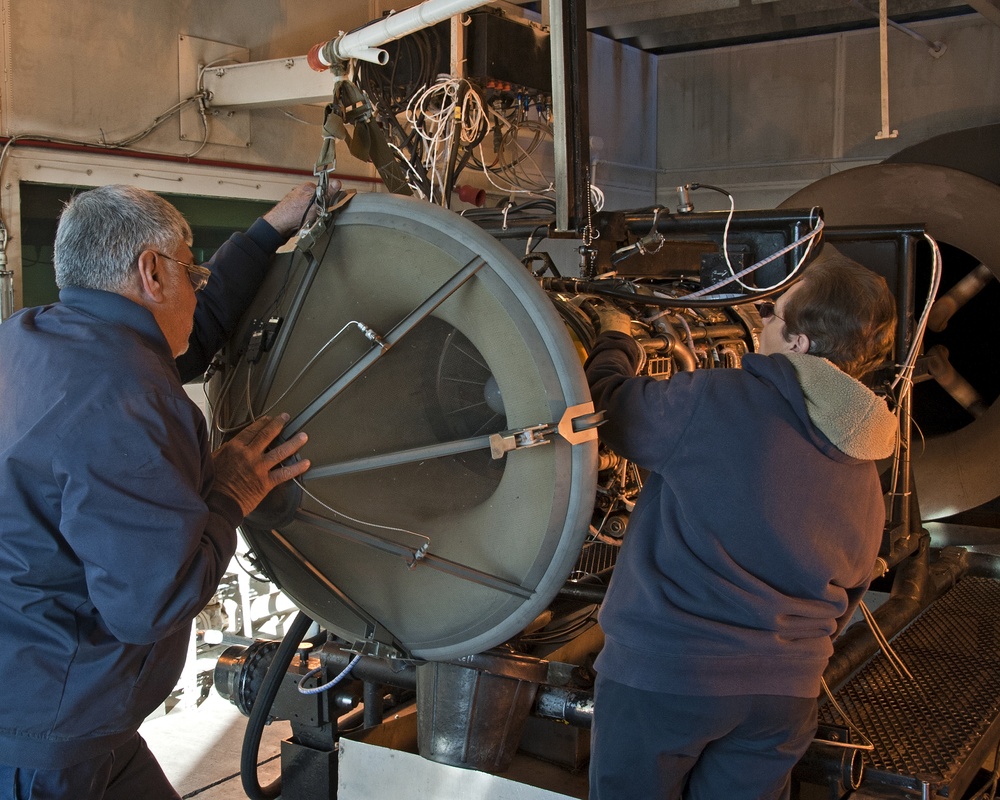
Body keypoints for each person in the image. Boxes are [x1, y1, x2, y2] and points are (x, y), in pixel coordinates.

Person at [0, 180, 338, 799]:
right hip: (50, 740)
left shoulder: (32, 338)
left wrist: (271, 229)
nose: (199, 286)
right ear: (153, 272)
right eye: (193, 271)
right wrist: (230, 492)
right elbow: (152, 603)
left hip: (56, 702)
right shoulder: (128, 402)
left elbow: (187, 332)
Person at [585, 255, 899, 800]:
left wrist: (616, 342)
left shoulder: (717, 397)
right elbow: (853, 588)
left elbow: (610, 406)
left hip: (669, 675)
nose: (762, 325)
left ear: (799, 343)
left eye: (774, 316)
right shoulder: (865, 457)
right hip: (786, 696)